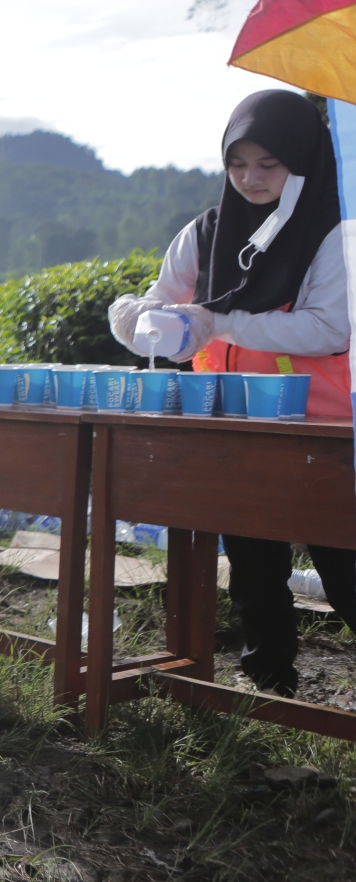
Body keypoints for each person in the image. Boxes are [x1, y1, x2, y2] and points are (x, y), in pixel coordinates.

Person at [106, 89, 353, 697]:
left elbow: (329, 328)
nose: (251, 178)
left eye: (269, 164)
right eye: (237, 164)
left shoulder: (334, 231)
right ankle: (270, 686)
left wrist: (219, 321)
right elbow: (164, 302)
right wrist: (137, 317)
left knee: (343, 564)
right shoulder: (207, 231)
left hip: (320, 428)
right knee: (253, 565)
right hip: (231, 421)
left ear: (303, 160)